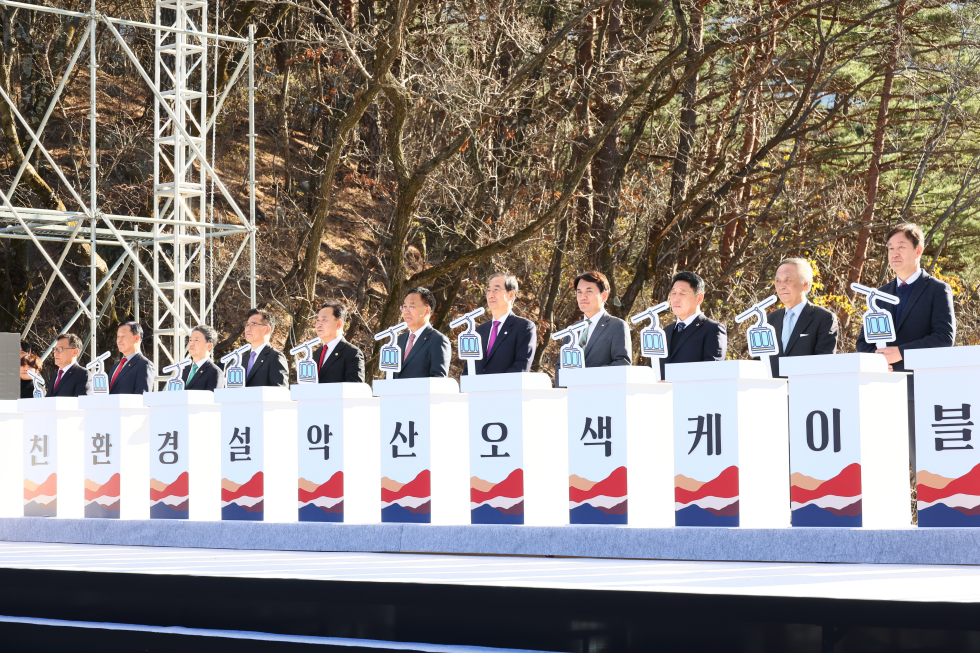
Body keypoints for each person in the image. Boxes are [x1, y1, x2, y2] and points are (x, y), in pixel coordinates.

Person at [856, 223, 955, 465]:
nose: (894, 253)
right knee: (884, 464)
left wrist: (899, 353)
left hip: (919, 391)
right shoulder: (878, 294)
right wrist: (880, 360)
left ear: (918, 250)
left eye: (901, 247)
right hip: (881, 390)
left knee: (923, 465)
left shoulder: (937, 290)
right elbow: (863, 343)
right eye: (890, 248)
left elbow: (944, 337)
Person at [554, 270, 631, 387]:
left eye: (589, 291)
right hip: (571, 397)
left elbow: (622, 364)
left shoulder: (617, 326)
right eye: (579, 292)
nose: (582, 296)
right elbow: (561, 368)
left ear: (604, 296)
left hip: (602, 396)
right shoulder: (572, 330)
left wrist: (587, 378)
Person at [764, 258, 839, 377]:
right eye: (778, 281)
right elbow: (760, 362)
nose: (781, 286)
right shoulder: (769, 320)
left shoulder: (824, 318)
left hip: (805, 392)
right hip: (773, 393)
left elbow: (824, 364)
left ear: (805, 285)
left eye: (787, 280)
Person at [464, 272, 536, 375]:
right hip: (477, 390)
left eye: (496, 290)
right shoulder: (479, 331)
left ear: (511, 295)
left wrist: (492, 387)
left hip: (506, 390)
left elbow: (521, 367)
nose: (490, 295)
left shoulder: (524, 327)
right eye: (488, 290)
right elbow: (469, 367)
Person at [659, 271, 727, 379]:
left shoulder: (712, 329)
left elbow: (712, 370)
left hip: (695, 394)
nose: (676, 298)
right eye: (673, 293)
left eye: (682, 293)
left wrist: (674, 381)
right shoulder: (665, 332)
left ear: (699, 298)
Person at [392, 287, 451, 379]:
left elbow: (438, 381)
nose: (406, 311)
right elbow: (391, 375)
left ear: (427, 311)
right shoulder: (399, 340)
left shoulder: (438, 341)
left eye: (411, 306)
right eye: (404, 306)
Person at [312, 301, 365, 383]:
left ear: (339, 324)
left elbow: (355, 389)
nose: (318, 324)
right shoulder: (315, 354)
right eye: (318, 320)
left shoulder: (352, 353)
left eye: (324, 320)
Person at [241, 308, 289, 388]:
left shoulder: (275, 357)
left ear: (267, 329)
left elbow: (280, 392)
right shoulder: (243, 358)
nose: (248, 329)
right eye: (247, 324)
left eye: (253, 324)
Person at [108, 321, 155, 395]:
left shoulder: (144, 365)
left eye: (123, 336)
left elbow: (142, 397)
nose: (119, 340)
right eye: (118, 336)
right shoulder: (115, 367)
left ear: (136, 338)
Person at [181, 325, 226, 391]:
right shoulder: (185, 372)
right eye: (190, 340)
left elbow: (213, 399)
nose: (191, 343)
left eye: (196, 340)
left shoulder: (214, 372)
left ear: (209, 345)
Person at [46, 333, 92, 397]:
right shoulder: (54, 376)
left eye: (60, 349)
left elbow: (83, 404)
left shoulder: (83, 374)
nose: (55, 353)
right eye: (55, 349)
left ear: (75, 352)